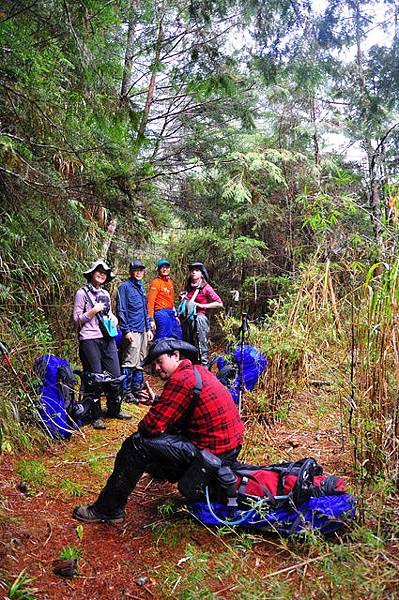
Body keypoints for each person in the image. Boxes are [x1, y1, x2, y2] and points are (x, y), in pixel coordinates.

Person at [73, 337, 244, 524]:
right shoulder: (196, 372)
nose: (156, 368)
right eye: (153, 364)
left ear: (175, 355)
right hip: (229, 450)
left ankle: (108, 509)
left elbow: (150, 427)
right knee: (166, 433)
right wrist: (157, 400)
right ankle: (164, 472)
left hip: (211, 455)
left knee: (136, 445)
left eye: (159, 361)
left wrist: (157, 410)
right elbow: (186, 406)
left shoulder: (180, 380)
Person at [73, 260, 132, 429]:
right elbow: (76, 321)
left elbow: (110, 314)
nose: (101, 274)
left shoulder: (105, 294)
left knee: (115, 375)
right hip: (89, 339)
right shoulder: (82, 293)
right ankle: (95, 415)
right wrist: (93, 311)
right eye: (98, 271)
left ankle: (114, 410)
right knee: (94, 378)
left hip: (107, 338)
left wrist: (113, 319)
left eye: (104, 273)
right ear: (91, 273)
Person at [117, 260, 153, 403]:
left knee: (140, 361)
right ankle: (126, 392)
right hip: (132, 330)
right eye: (136, 270)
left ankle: (137, 390)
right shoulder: (124, 287)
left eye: (141, 270)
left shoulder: (141, 287)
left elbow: (145, 310)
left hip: (143, 329)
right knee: (129, 361)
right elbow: (121, 309)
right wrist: (126, 330)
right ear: (130, 271)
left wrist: (148, 328)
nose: (139, 272)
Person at [179, 262, 223, 367]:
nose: (193, 272)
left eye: (197, 270)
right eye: (192, 270)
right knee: (187, 342)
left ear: (202, 273)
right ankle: (189, 364)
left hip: (199, 317)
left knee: (200, 341)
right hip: (187, 319)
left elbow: (219, 303)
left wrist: (203, 306)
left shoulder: (206, 287)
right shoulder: (188, 286)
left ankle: (203, 364)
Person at [147, 259, 182, 341]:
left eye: (166, 267)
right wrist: (151, 319)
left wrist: (175, 315)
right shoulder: (156, 282)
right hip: (160, 312)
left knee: (177, 333)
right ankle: (158, 352)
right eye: (162, 267)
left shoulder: (170, 282)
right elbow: (150, 302)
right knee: (164, 335)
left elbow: (171, 299)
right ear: (159, 270)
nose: (165, 269)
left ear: (169, 269)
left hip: (170, 312)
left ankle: (175, 352)